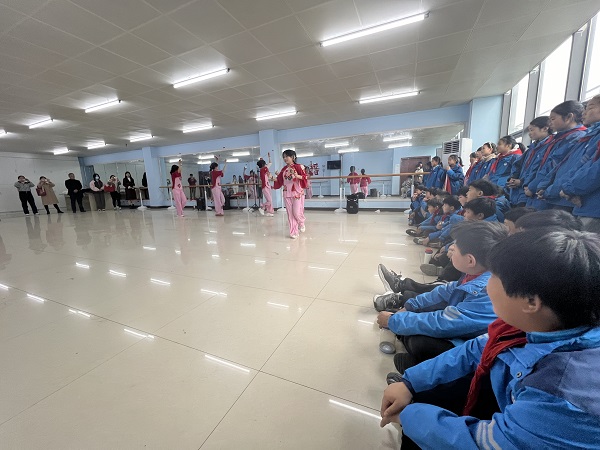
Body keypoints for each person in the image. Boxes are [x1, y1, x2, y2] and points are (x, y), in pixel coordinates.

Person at [380, 229, 600, 450]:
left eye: (494, 276)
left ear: (531, 302)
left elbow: (488, 443)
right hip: (509, 397)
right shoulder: (534, 326)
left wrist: (409, 415)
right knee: (425, 398)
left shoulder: (558, 394)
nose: (487, 282)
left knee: (422, 416)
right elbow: (475, 349)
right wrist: (411, 382)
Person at [377, 221, 508, 375]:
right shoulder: (477, 274)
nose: (450, 248)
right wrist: (410, 307)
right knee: (416, 312)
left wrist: (395, 321)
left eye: (455, 247)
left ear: (470, 260)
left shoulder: (486, 291)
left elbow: (445, 323)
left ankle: (421, 369)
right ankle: (406, 334)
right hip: (459, 325)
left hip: (471, 347)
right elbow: (443, 292)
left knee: (420, 343)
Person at [526, 100, 587, 210]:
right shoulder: (559, 139)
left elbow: (565, 169)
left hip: (560, 196)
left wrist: (545, 189)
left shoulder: (578, 138)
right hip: (547, 192)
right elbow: (548, 166)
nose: (550, 123)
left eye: (553, 119)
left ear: (568, 117)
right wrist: (538, 186)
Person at [506, 116, 553, 207]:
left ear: (545, 128)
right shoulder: (531, 149)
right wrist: (513, 177)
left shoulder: (550, 147)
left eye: (532, 130)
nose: (530, 133)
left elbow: (542, 170)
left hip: (533, 190)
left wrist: (523, 182)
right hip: (522, 190)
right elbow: (518, 164)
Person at [273, 149, 307, 239]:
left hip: (297, 193)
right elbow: (279, 181)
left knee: (296, 212)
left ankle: (301, 222)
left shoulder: (299, 167)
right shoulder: (283, 169)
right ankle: (293, 232)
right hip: (286, 193)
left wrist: (296, 175)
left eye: (287, 156)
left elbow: (304, 177)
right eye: (283, 157)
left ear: (293, 157)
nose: (285, 158)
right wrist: (272, 178)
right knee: (290, 214)